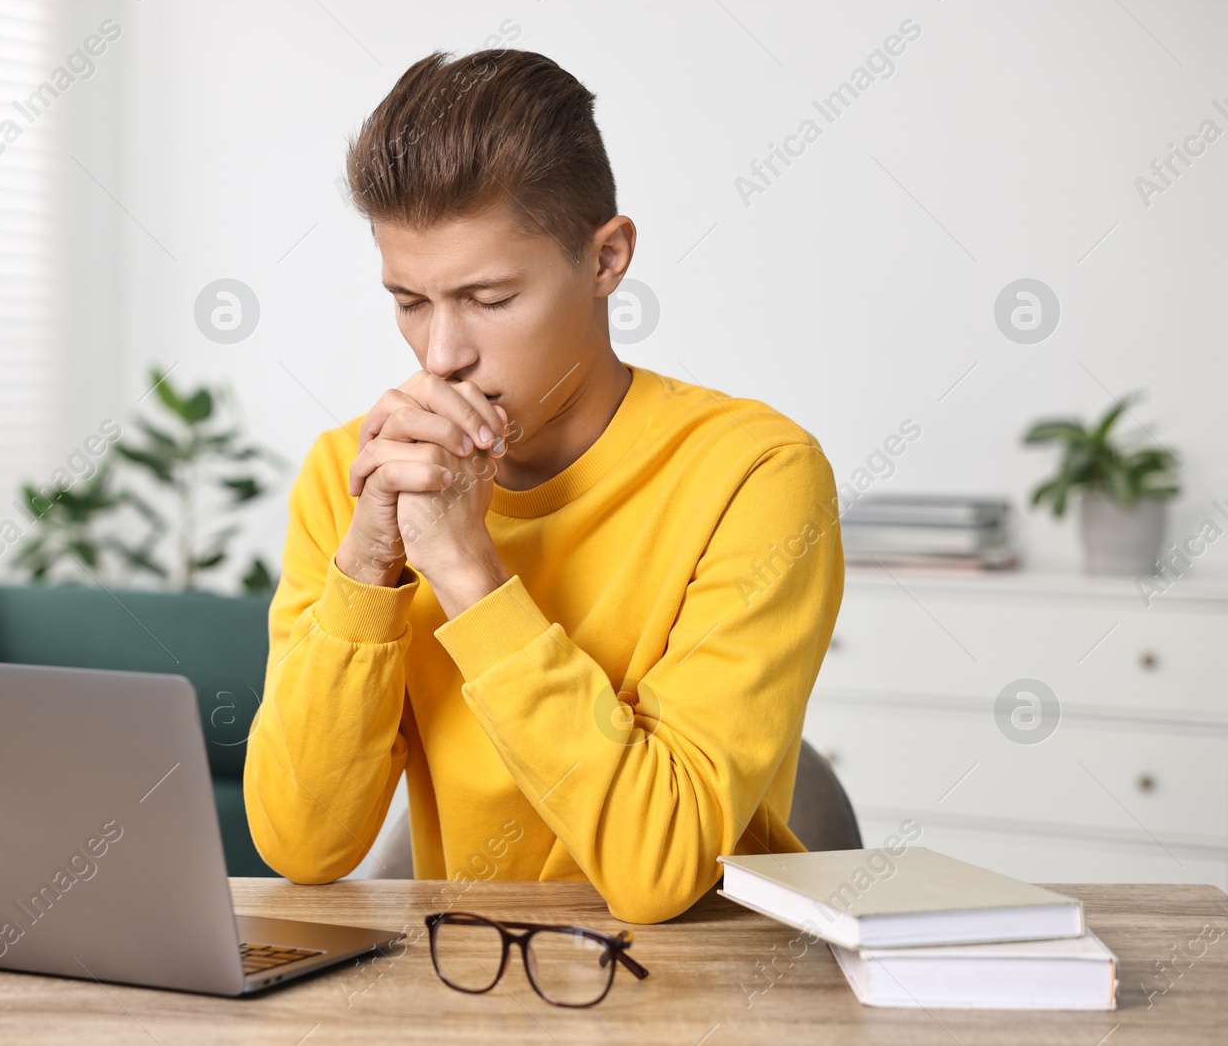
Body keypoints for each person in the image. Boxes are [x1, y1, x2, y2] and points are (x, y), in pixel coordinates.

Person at [244, 48, 844, 924]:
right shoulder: (359, 474)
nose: (441, 353)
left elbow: (657, 870)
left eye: (488, 298)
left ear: (606, 259)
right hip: (471, 983)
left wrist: (467, 572)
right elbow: (302, 845)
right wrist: (369, 565)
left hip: (699, 987)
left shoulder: (757, 474)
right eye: (409, 300)